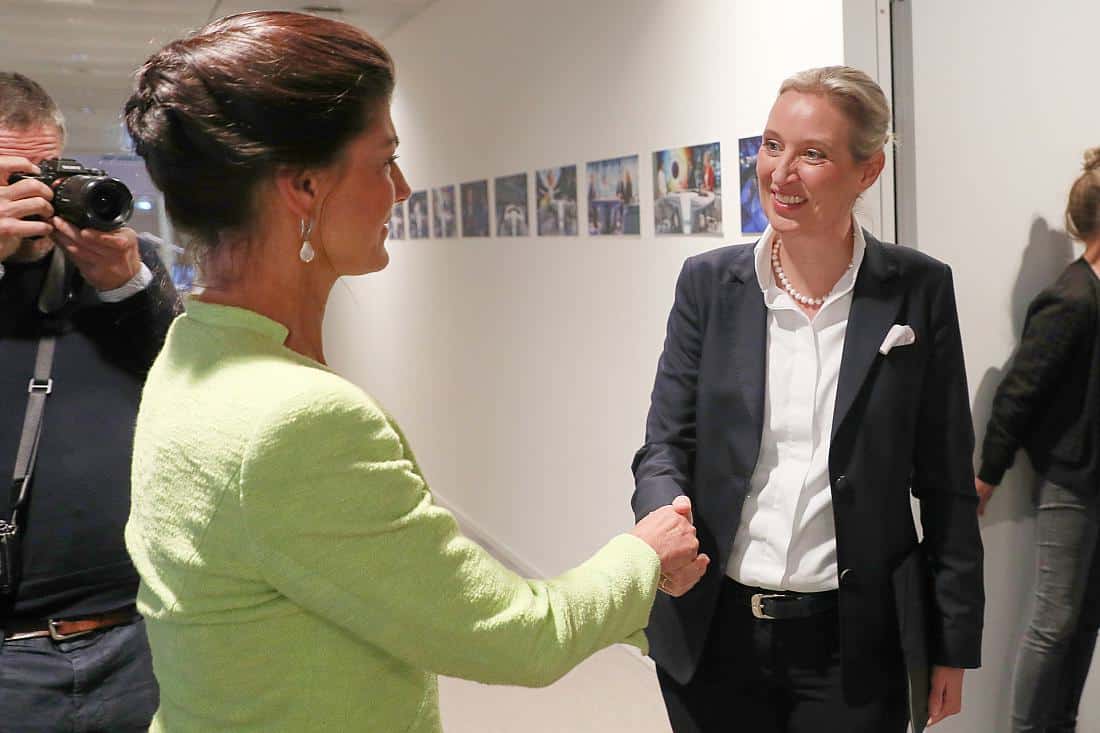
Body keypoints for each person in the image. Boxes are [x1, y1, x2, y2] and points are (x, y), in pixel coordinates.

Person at [121, 11, 707, 732]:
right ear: (303, 185)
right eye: (383, 160)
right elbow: (517, 636)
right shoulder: (295, 421)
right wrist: (644, 557)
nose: (400, 189)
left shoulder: (191, 349)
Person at [632, 65, 984, 733]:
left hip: (856, 646)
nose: (780, 173)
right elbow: (665, 445)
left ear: (868, 171)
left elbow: (946, 483)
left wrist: (954, 642)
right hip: (715, 634)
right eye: (772, 145)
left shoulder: (918, 289)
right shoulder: (708, 285)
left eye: (813, 154)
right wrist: (663, 518)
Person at [0, 72, 180, 731]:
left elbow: (186, 386)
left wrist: (128, 285)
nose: (35, 197)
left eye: (45, 173)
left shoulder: (126, 260)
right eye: (10, 179)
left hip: (136, 632)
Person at [977, 148, 1100, 733]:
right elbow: (1018, 392)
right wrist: (988, 473)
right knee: (1055, 620)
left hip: (1093, 480)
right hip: (1071, 484)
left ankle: (1062, 724)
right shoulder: (1072, 298)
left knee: (1085, 617)